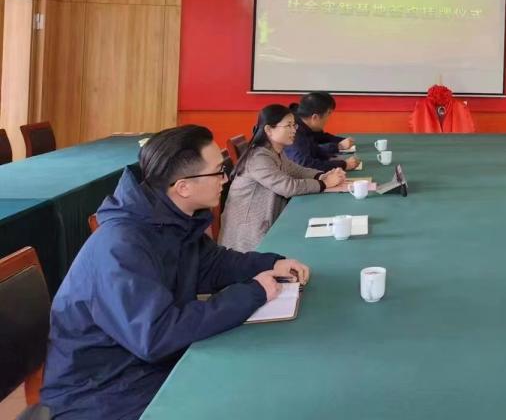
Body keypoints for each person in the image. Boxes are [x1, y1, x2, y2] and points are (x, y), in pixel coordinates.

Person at [40, 125, 311, 420]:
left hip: (147, 367)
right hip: (103, 393)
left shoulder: (171, 219)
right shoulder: (120, 246)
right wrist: (252, 293)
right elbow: (157, 335)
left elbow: (213, 263)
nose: (226, 179)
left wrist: (270, 264)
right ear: (183, 187)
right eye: (218, 172)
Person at [220, 104, 346, 252]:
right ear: (269, 130)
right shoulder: (258, 158)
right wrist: (324, 183)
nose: (294, 130)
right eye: (288, 125)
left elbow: (296, 170)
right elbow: (288, 187)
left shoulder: (274, 151)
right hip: (248, 238)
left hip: (270, 222)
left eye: (294, 125)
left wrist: (322, 175)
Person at [285, 91, 360, 173]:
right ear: (315, 117)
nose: (329, 119)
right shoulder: (293, 132)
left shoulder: (302, 122)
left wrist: (339, 145)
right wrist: (343, 164)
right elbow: (305, 164)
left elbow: (318, 141)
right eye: (328, 114)